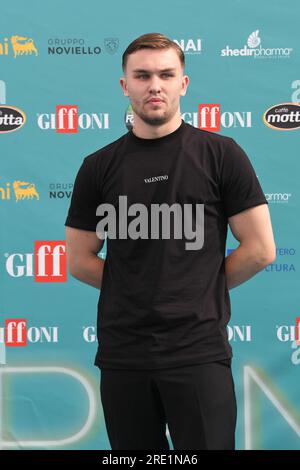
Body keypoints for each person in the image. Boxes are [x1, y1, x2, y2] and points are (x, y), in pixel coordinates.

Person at [65, 32, 276, 450]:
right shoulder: (97, 167)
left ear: (184, 83)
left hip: (198, 353)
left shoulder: (221, 154)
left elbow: (260, 249)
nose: (154, 85)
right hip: (124, 355)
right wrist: (137, 287)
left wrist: (198, 288)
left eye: (166, 74)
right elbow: (78, 259)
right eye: (142, 76)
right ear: (125, 86)